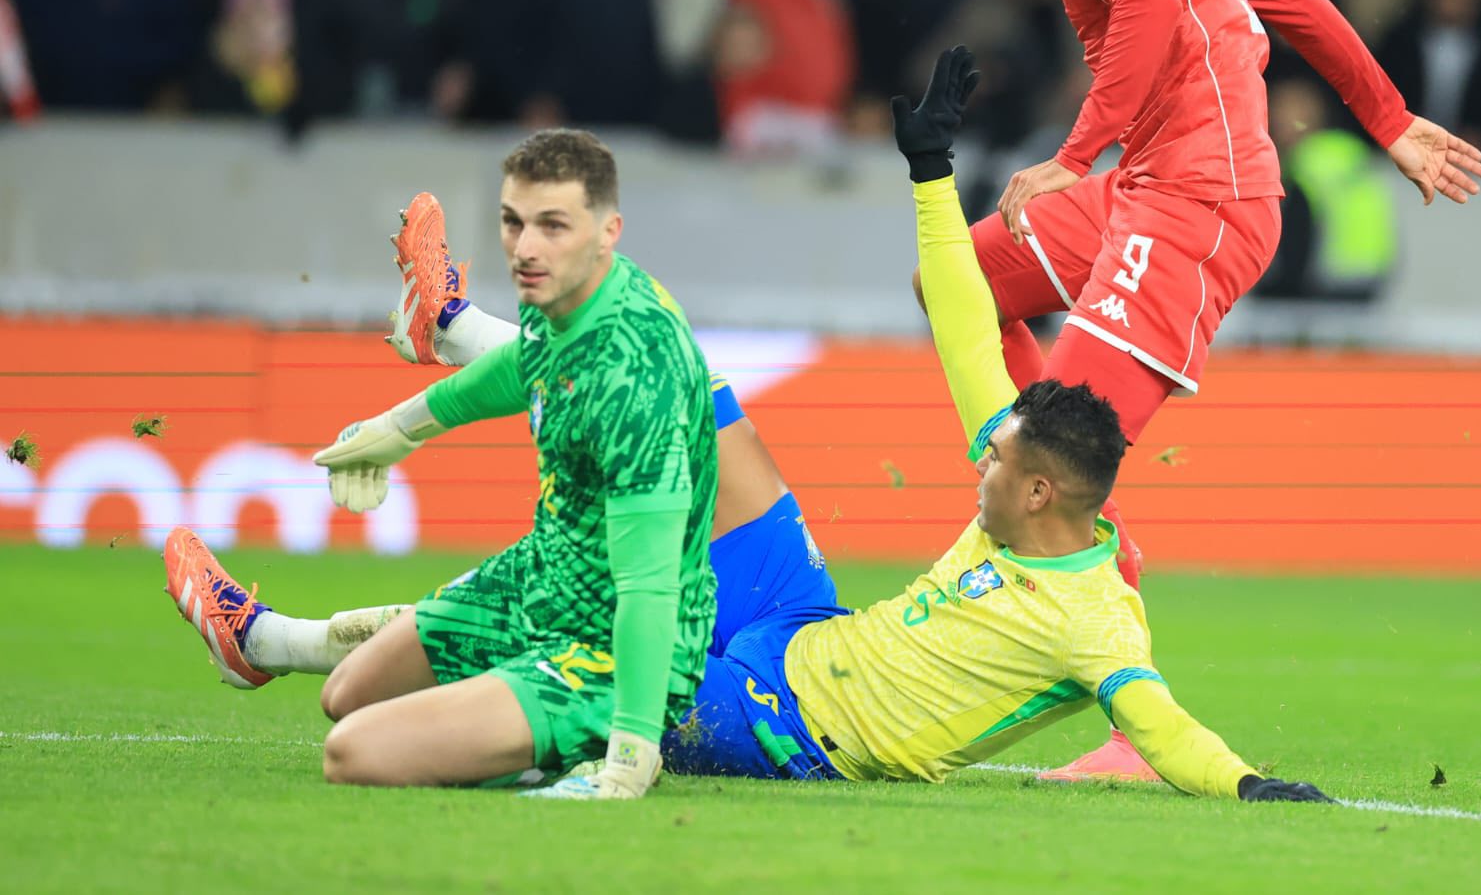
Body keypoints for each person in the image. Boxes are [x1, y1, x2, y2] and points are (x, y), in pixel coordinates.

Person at [166, 57, 1329, 805]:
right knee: (696, 393)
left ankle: (276, 639)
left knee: (564, 625)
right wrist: (930, 170)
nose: (980, 456)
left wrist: (1247, 787)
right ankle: (452, 327)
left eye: (998, 460)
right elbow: (966, 314)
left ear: (1040, 495)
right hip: (802, 622)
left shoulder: (1093, 618)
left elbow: (1160, 724)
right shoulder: (1027, 482)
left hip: (780, 724)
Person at [947, 0, 1481, 780]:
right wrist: (1388, 119)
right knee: (959, 280)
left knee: (1047, 460)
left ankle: (1129, 727)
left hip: (1196, 203)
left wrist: (1069, 156)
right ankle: (1074, 490)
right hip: (1154, 187)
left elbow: (1149, 5)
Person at [167, 129, 721, 799]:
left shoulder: (638, 380)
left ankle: (582, 747)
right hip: (540, 581)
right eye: (513, 222)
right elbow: (522, 364)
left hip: (602, 656)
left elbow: (651, 586)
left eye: (552, 225)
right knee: (346, 694)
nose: (526, 247)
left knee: (353, 752)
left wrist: (631, 750)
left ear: (609, 231)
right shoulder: (569, 293)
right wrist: (400, 429)